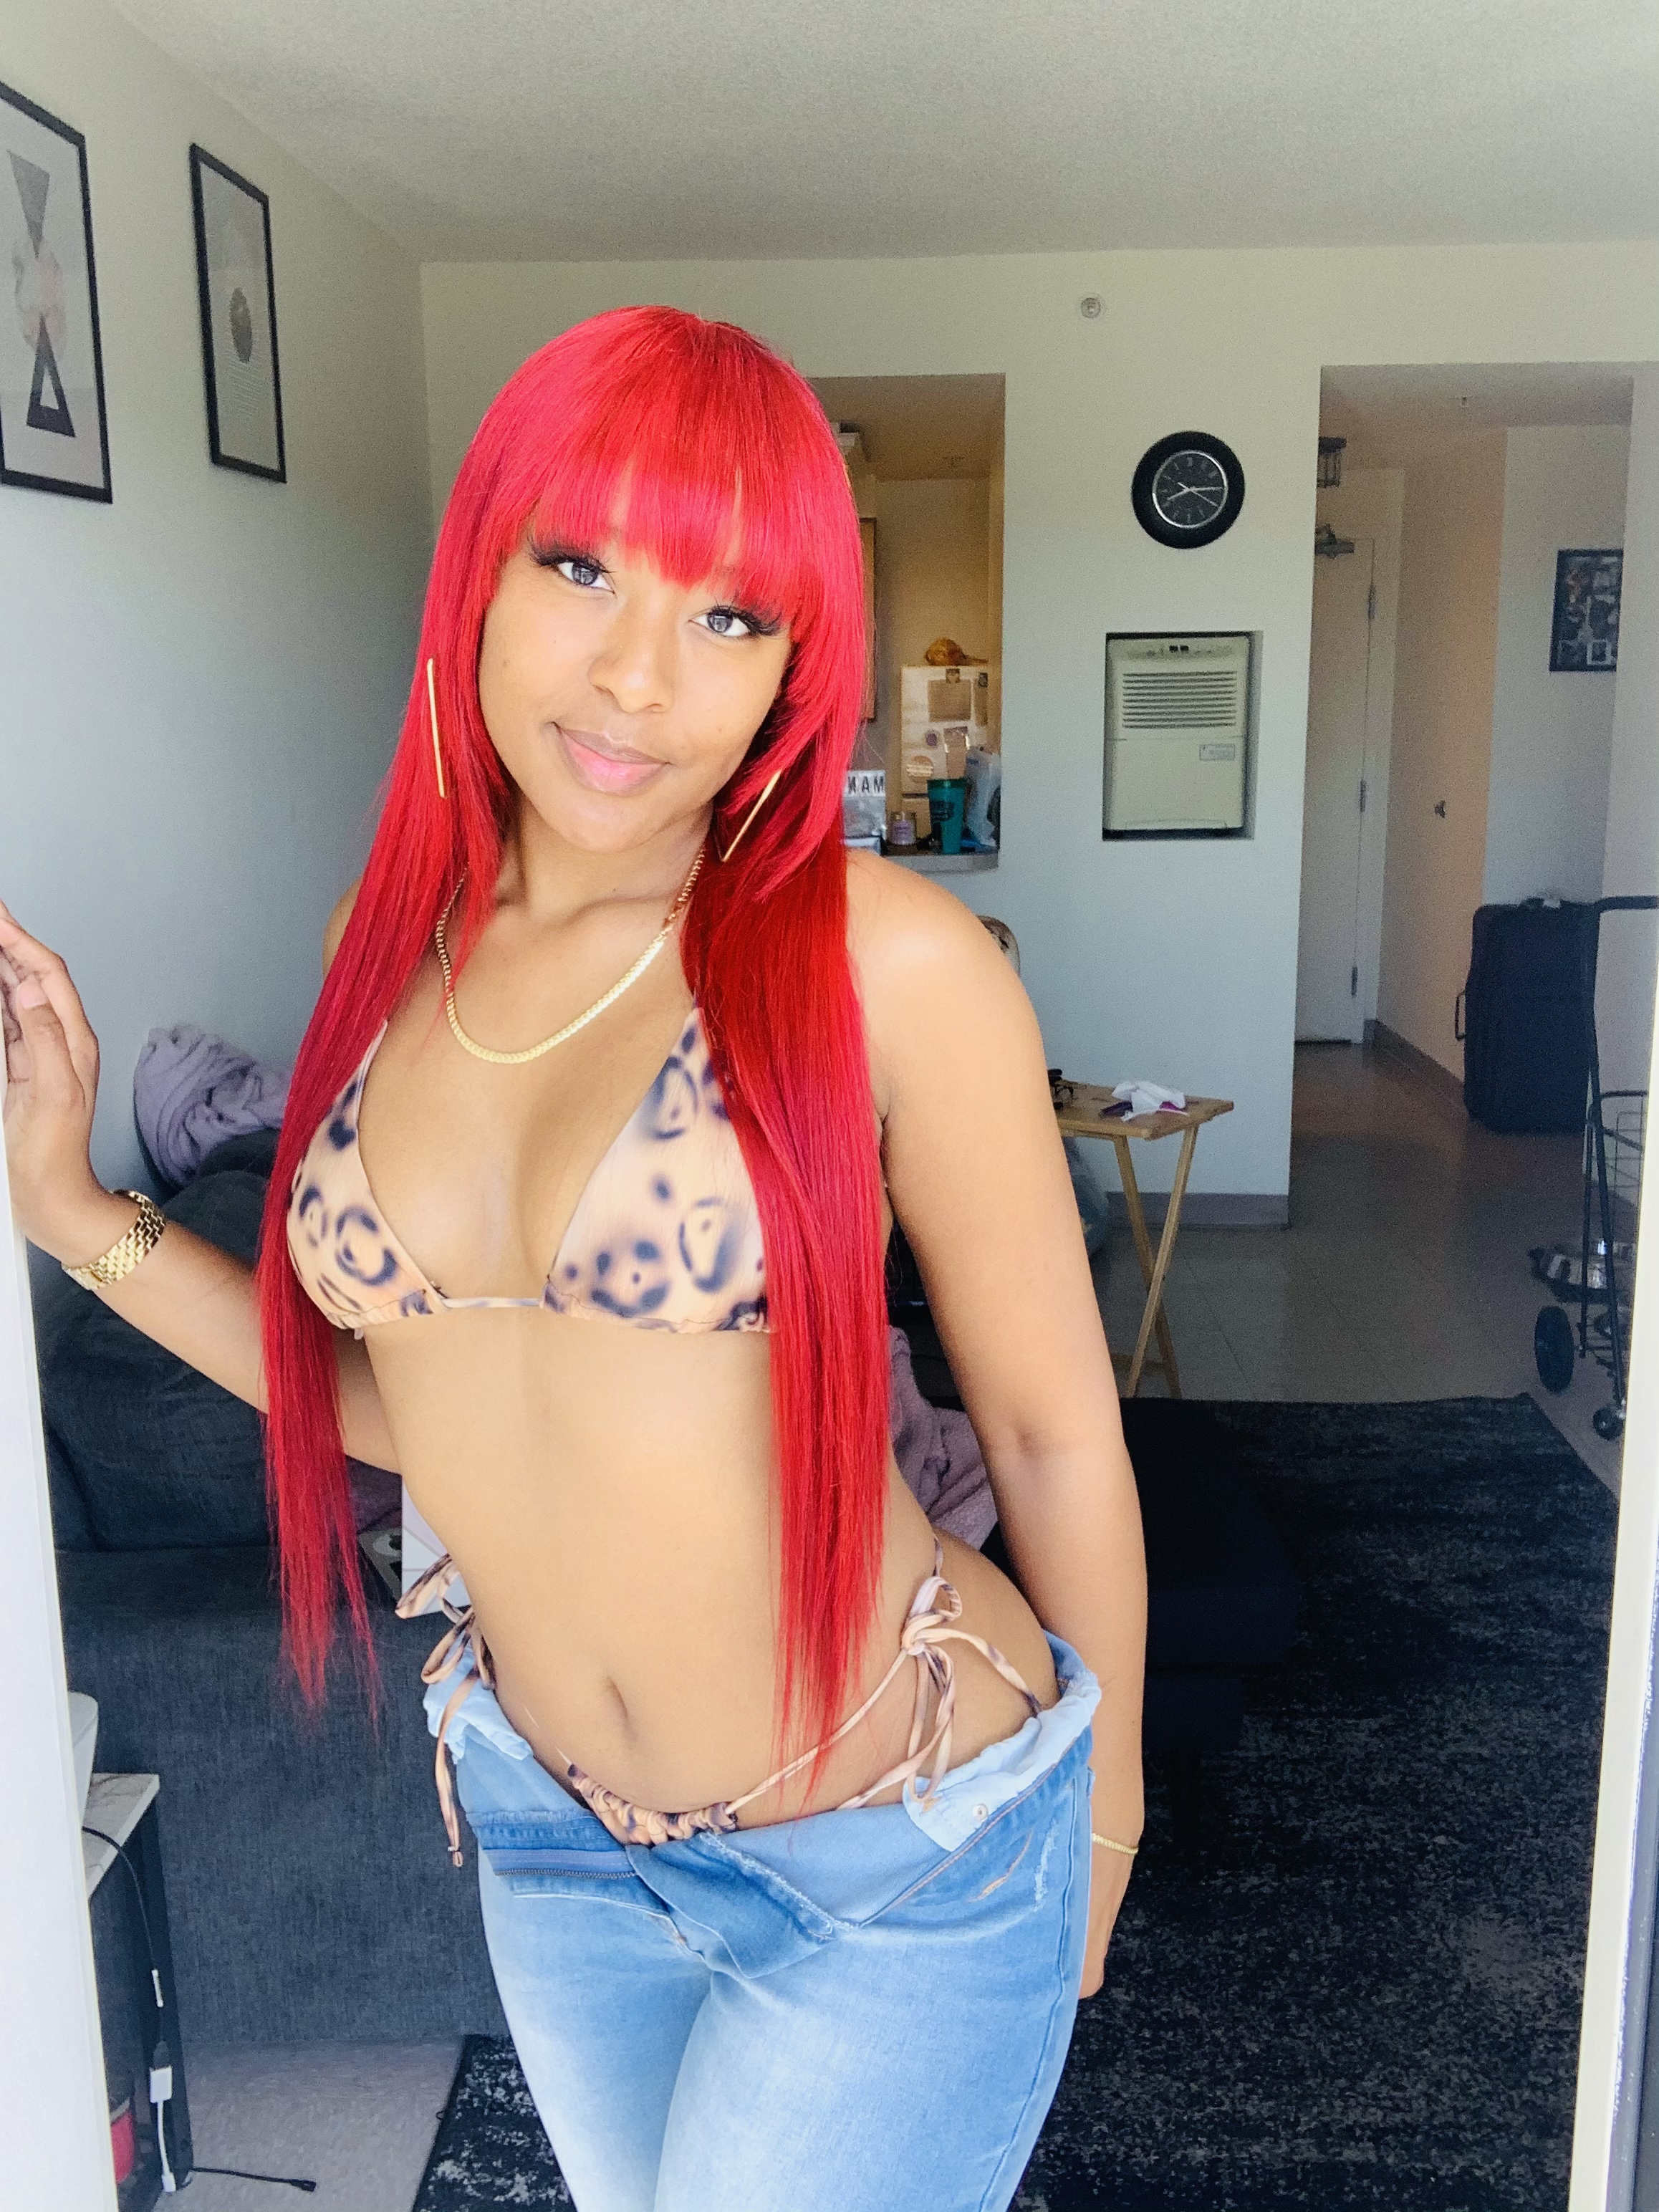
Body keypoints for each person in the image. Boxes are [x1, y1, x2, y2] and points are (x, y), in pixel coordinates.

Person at [1, 306, 1145, 2212]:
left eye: (730, 614)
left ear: (794, 666)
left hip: (900, 1843)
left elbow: (1047, 1436)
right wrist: (69, 1207)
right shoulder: (392, 949)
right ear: (478, 576)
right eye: (582, 568)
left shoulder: (886, 959)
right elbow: (406, 1413)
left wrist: (1105, 1821)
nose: (637, 676)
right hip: (551, 1835)